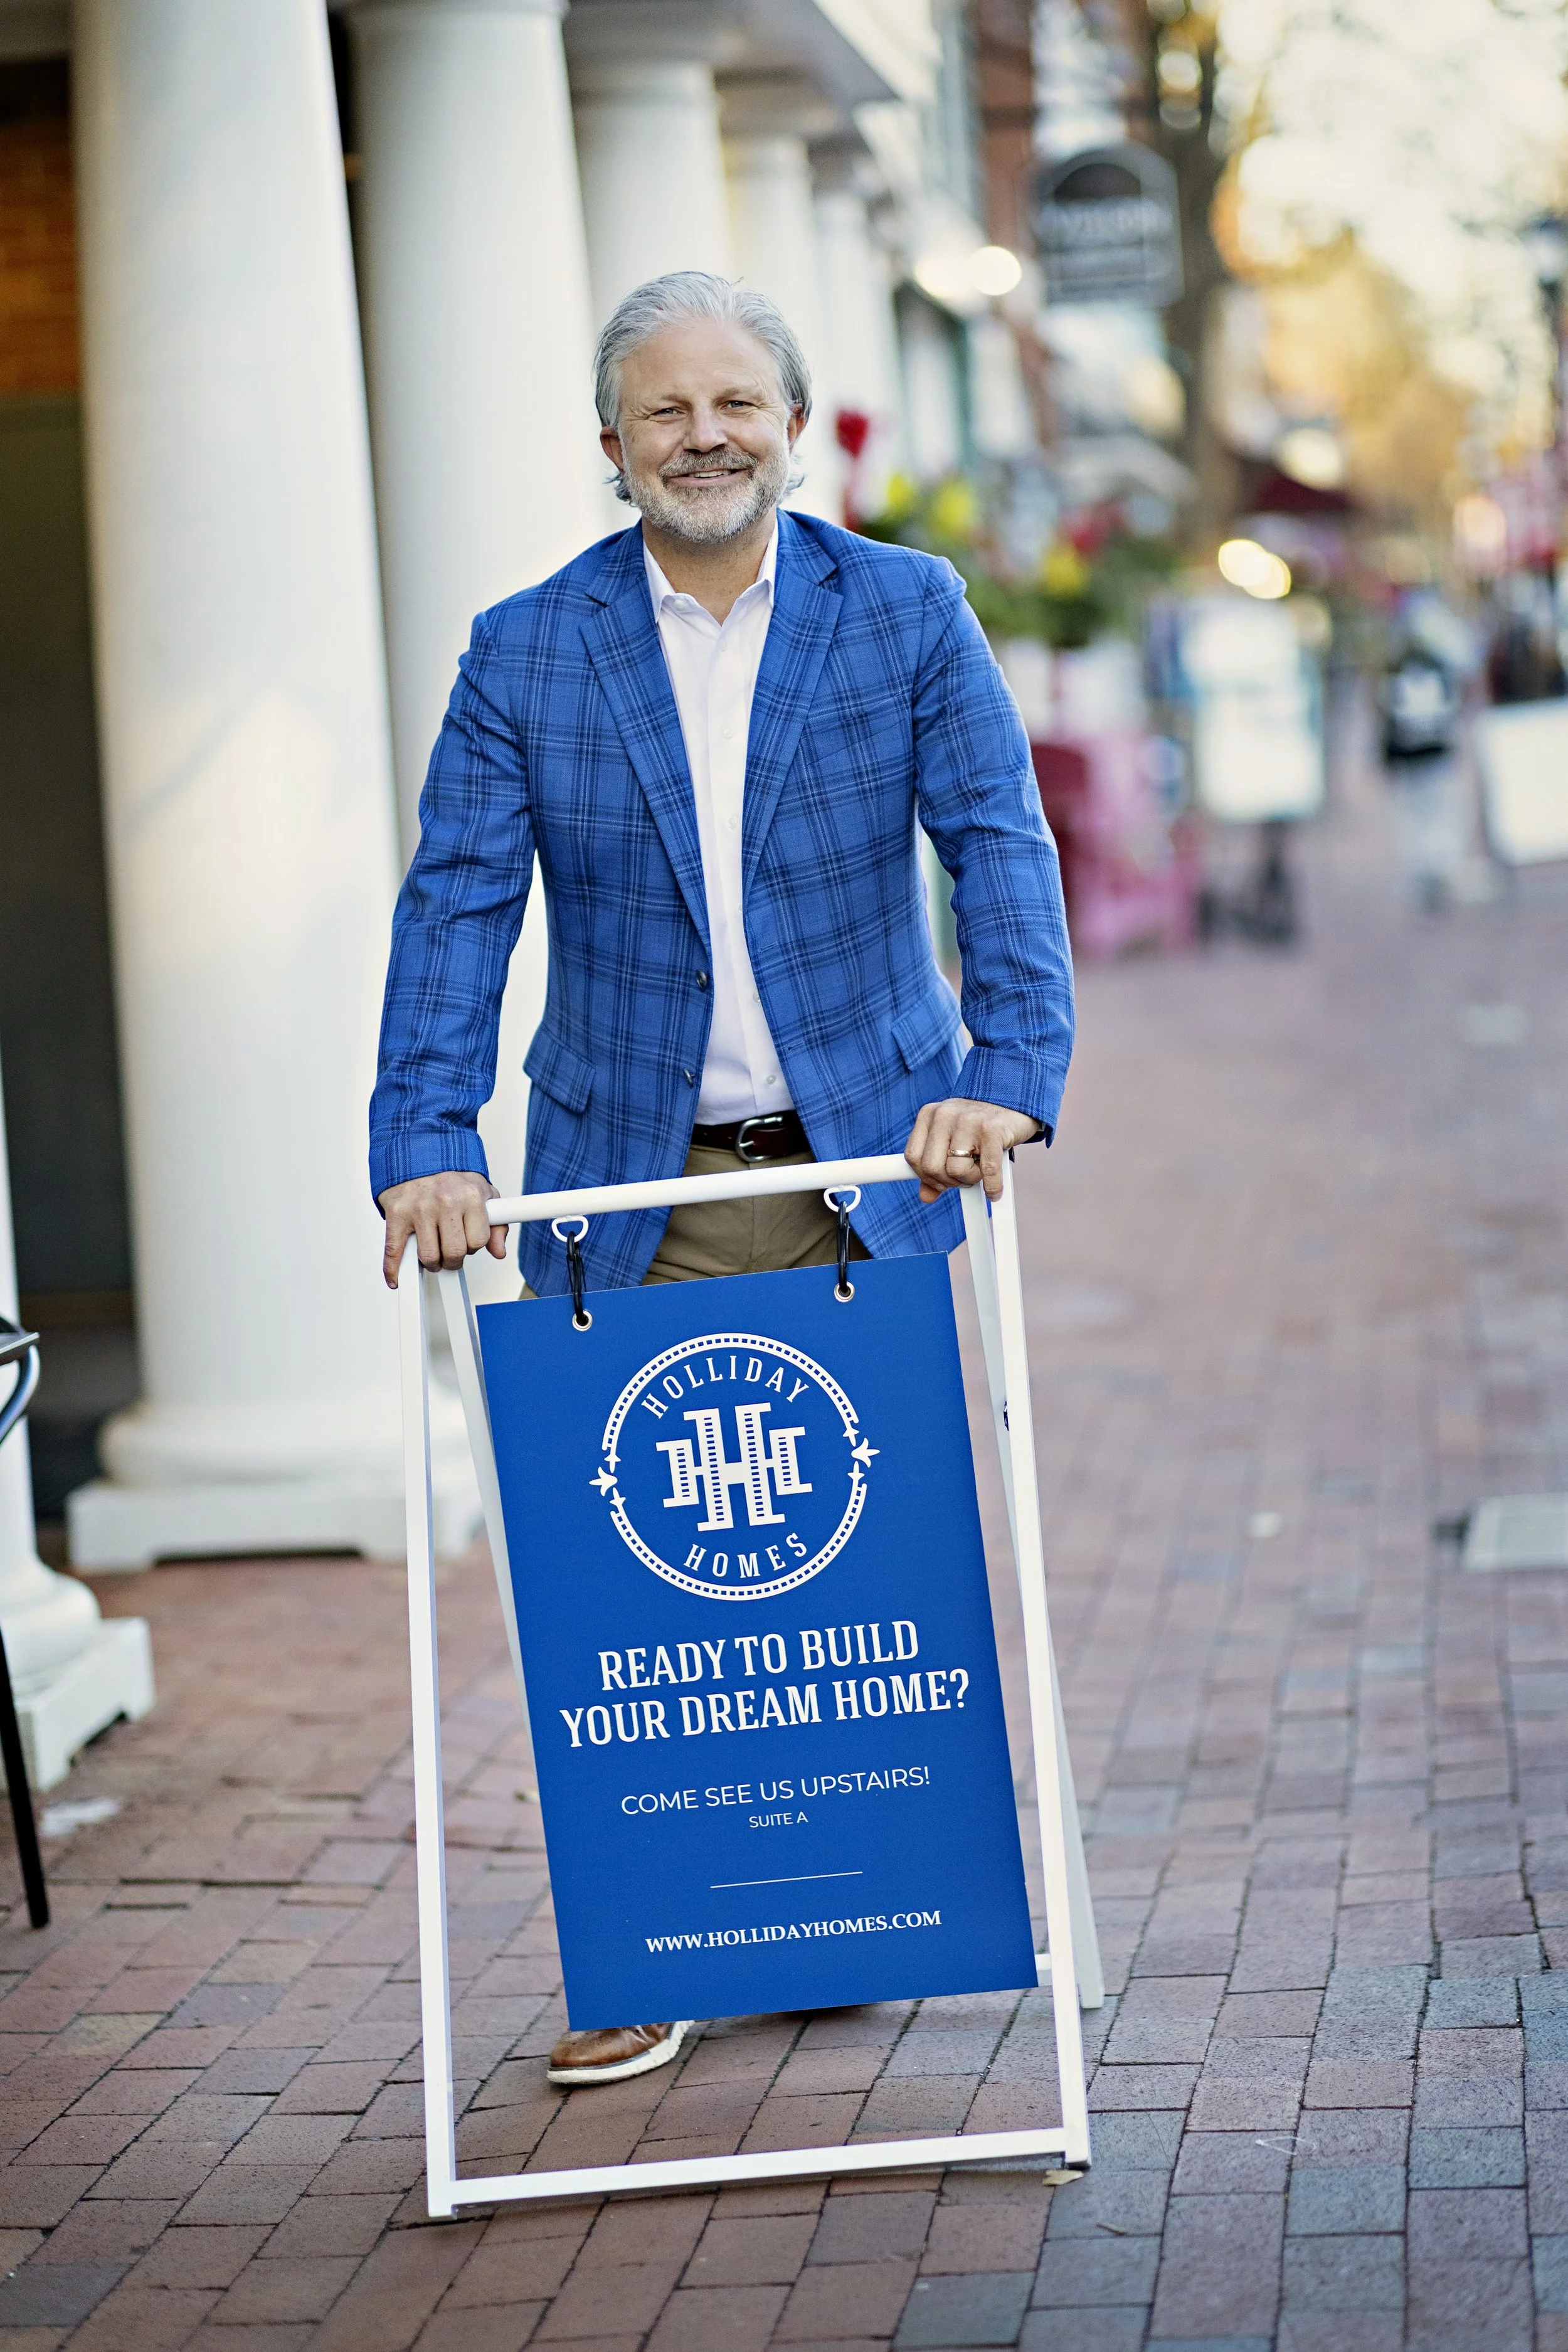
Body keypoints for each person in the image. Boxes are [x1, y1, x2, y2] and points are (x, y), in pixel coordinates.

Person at [369, 271, 1074, 2087]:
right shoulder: (528, 649)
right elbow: (457, 902)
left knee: (866, 1564)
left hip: (868, 1168)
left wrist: (1007, 1078)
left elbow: (994, 842)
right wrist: (426, 1142)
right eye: (666, 409)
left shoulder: (904, 609)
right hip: (628, 1179)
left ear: (792, 419)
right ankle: (649, 1947)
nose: (705, 434)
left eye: (737, 402)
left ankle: (876, 1902)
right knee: (637, 1582)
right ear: (611, 447)